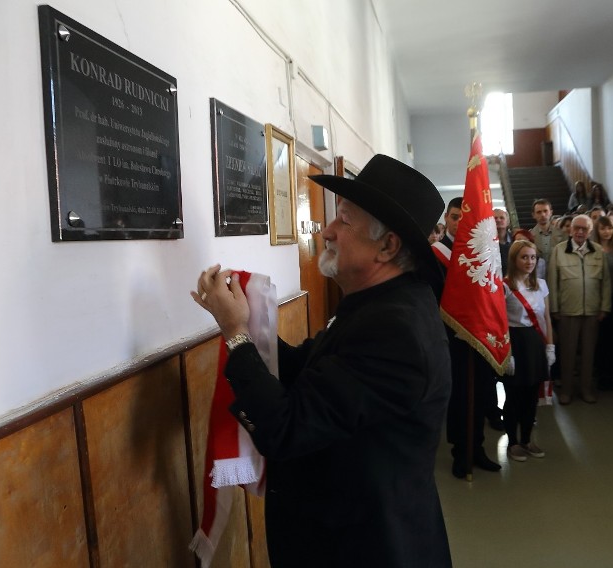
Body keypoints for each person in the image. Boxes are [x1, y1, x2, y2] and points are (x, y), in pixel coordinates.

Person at [191, 154, 452, 567]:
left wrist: (236, 335)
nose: (327, 230)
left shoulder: (393, 329)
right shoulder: (378, 305)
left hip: (365, 548)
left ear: (388, 246)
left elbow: (286, 428)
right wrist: (249, 319)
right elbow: (307, 369)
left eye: (345, 221)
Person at [438, 197, 501, 477]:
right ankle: (460, 452)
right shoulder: (436, 253)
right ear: (447, 219)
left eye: (464, 218)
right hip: (450, 337)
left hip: (481, 333)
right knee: (458, 395)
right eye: (454, 217)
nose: (459, 222)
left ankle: (478, 448)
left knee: (483, 391)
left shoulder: (484, 250)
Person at [548, 215, 610, 404]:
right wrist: (555, 308)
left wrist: (604, 307)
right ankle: (566, 390)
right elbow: (553, 281)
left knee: (589, 353)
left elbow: (605, 282)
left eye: (584, 229)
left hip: (592, 311)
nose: (580, 232)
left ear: (590, 231)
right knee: (567, 353)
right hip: (568, 311)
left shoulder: (598, 251)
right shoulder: (559, 250)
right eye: (577, 228)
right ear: (570, 230)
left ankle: (586, 389)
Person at [502, 240, 554, 461]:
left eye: (533, 257)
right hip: (514, 342)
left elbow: (547, 318)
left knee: (531, 395)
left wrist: (550, 346)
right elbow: (500, 322)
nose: (530, 261)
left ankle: (526, 439)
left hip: (534, 343)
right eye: (524, 257)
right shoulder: (505, 286)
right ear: (514, 260)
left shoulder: (541, 284)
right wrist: (507, 354)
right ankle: (512, 442)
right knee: (513, 395)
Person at [593, 216, 613, 390]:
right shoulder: (594, 250)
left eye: (609, 228)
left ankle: (612, 373)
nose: (606, 232)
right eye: (603, 228)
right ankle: (602, 374)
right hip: (599, 300)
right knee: (601, 340)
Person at [494, 207, 513, 274]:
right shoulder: (485, 242)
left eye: (502, 218)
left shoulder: (515, 239)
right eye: (495, 218)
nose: (498, 220)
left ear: (507, 222)